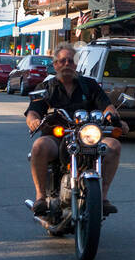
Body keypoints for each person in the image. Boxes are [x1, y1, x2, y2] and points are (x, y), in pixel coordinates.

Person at [25, 45, 123, 217]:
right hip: (57, 137)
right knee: (39, 146)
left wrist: (114, 118)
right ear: (55, 65)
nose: (67, 64)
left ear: (76, 64)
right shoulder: (46, 87)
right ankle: (40, 196)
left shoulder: (89, 86)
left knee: (113, 145)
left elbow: (107, 107)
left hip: (86, 136)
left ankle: (103, 197)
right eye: (62, 61)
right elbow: (33, 109)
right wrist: (33, 120)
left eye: (71, 61)